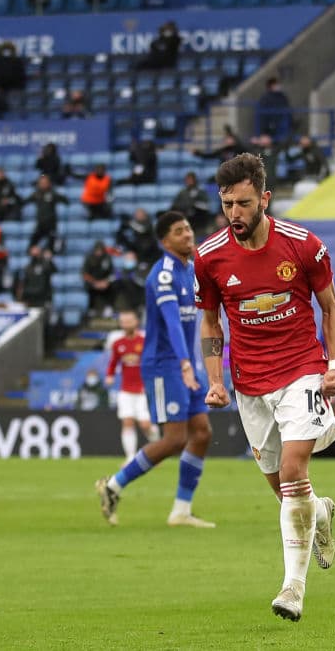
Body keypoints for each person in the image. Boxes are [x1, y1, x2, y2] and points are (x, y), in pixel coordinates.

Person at [194, 154, 335, 622]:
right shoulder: (209, 256)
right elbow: (210, 319)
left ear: (264, 198)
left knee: (296, 469)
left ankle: (292, 589)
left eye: (242, 203)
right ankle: (318, 513)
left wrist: (334, 366)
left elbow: (330, 307)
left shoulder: (304, 245)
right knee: (284, 490)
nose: (234, 213)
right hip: (250, 384)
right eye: (227, 204)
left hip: (301, 369)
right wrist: (216, 380)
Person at [95, 211, 215, 529]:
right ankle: (113, 486)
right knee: (174, 439)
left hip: (184, 364)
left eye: (188, 228)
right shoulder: (162, 275)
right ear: (165, 241)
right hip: (164, 366)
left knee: (202, 432)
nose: (188, 234)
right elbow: (172, 322)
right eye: (179, 231)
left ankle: (181, 510)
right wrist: (186, 364)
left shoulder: (190, 270)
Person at [105, 309, 159, 459]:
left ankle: (159, 451)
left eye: (129, 321)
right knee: (127, 422)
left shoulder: (144, 342)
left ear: (136, 322)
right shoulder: (117, 344)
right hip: (126, 390)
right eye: (124, 321)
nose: (126, 324)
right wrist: (109, 375)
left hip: (143, 390)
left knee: (145, 425)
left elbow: (152, 362)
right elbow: (113, 362)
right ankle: (130, 458)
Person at [27, 174, 70, 252]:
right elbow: (25, 202)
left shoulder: (53, 193)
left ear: (49, 183)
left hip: (51, 224)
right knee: (31, 245)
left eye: (45, 182)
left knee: (51, 246)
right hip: (40, 224)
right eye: (41, 183)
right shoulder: (36, 194)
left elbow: (66, 201)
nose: (43, 184)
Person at [170, 171, 213, 236]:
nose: (189, 182)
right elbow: (174, 206)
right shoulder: (182, 193)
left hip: (199, 221)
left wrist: (194, 204)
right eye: (187, 180)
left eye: (191, 179)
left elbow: (206, 206)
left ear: (195, 180)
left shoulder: (201, 192)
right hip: (185, 220)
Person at [81, 240, 116, 317]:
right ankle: (91, 309)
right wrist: (95, 282)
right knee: (89, 289)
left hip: (105, 283)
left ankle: (109, 307)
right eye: (97, 250)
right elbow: (84, 273)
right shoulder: (89, 258)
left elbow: (112, 273)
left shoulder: (107, 258)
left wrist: (106, 281)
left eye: (100, 250)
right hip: (92, 283)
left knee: (114, 286)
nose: (99, 252)